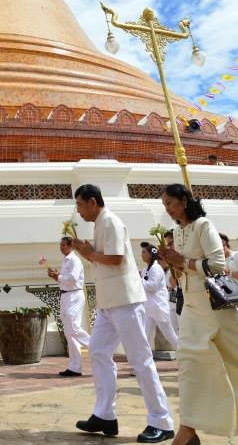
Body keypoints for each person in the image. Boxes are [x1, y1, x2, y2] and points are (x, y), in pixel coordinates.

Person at [158, 185, 238, 445]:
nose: (167, 209)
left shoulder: (203, 226)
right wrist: (172, 262)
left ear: (183, 200)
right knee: (190, 367)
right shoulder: (179, 232)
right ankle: (188, 428)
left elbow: (217, 265)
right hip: (191, 307)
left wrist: (182, 262)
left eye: (170, 203)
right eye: (165, 205)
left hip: (214, 306)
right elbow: (184, 270)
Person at [72, 184, 175, 443]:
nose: (79, 211)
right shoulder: (99, 224)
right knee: (97, 350)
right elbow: (104, 259)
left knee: (140, 360)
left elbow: (116, 258)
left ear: (92, 202)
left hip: (126, 301)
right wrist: (88, 253)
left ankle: (161, 420)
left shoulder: (111, 222)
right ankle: (105, 414)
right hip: (109, 301)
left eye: (80, 206)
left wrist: (88, 252)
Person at [48, 236, 90, 377]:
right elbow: (65, 281)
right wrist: (57, 276)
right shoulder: (66, 260)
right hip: (66, 296)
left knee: (73, 327)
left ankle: (98, 347)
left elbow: (72, 280)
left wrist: (58, 277)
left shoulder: (74, 260)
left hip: (74, 296)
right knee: (69, 332)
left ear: (71, 246)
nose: (61, 247)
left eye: (64, 245)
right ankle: (75, 367)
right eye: (60, 245)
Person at [139, 241, 178, 352]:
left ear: (151, 254)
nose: (142, 254)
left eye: (144, 252)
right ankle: (144, 366)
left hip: (159, 308)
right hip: (149, 308)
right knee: (145, 337)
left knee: (171, 336)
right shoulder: (146, 270)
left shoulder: (156, 269)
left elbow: (152, 286)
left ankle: (188, 357)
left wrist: (138, 281)